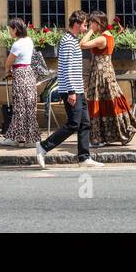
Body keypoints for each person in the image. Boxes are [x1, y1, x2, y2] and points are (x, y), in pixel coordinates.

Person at [36, 10, 101, 168]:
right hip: (71, 90)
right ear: (77, 24)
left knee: (85, 122)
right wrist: (71, 91)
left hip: (78, 89)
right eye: (85, 25)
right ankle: (44, 146)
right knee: (73, 123)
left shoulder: (72, 40)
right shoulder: (67, 41)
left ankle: (84, 157)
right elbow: (66, 68)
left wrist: (79, 88)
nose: (86, 28)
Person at [79, 12, 136, 145]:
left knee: (99, 103)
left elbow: (82, 44)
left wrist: (90, 31)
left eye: (93, 22)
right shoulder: (108, 36)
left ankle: (101, 137)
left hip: (101, 74)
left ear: (99, 23)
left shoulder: (103, 38)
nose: (91, 24)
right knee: (107, 103)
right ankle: (107, 135)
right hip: (105, 72)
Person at [0, 18, 40, 147]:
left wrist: (7, 71)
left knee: (20, 107)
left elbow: (8, 62)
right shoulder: (29, 41)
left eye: (10, 29)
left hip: (20, 74)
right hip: (29, 73)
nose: (9, 32)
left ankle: (17, 137)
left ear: (15, 29)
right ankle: (27, 138)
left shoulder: (17, 44)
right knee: (28, 106)